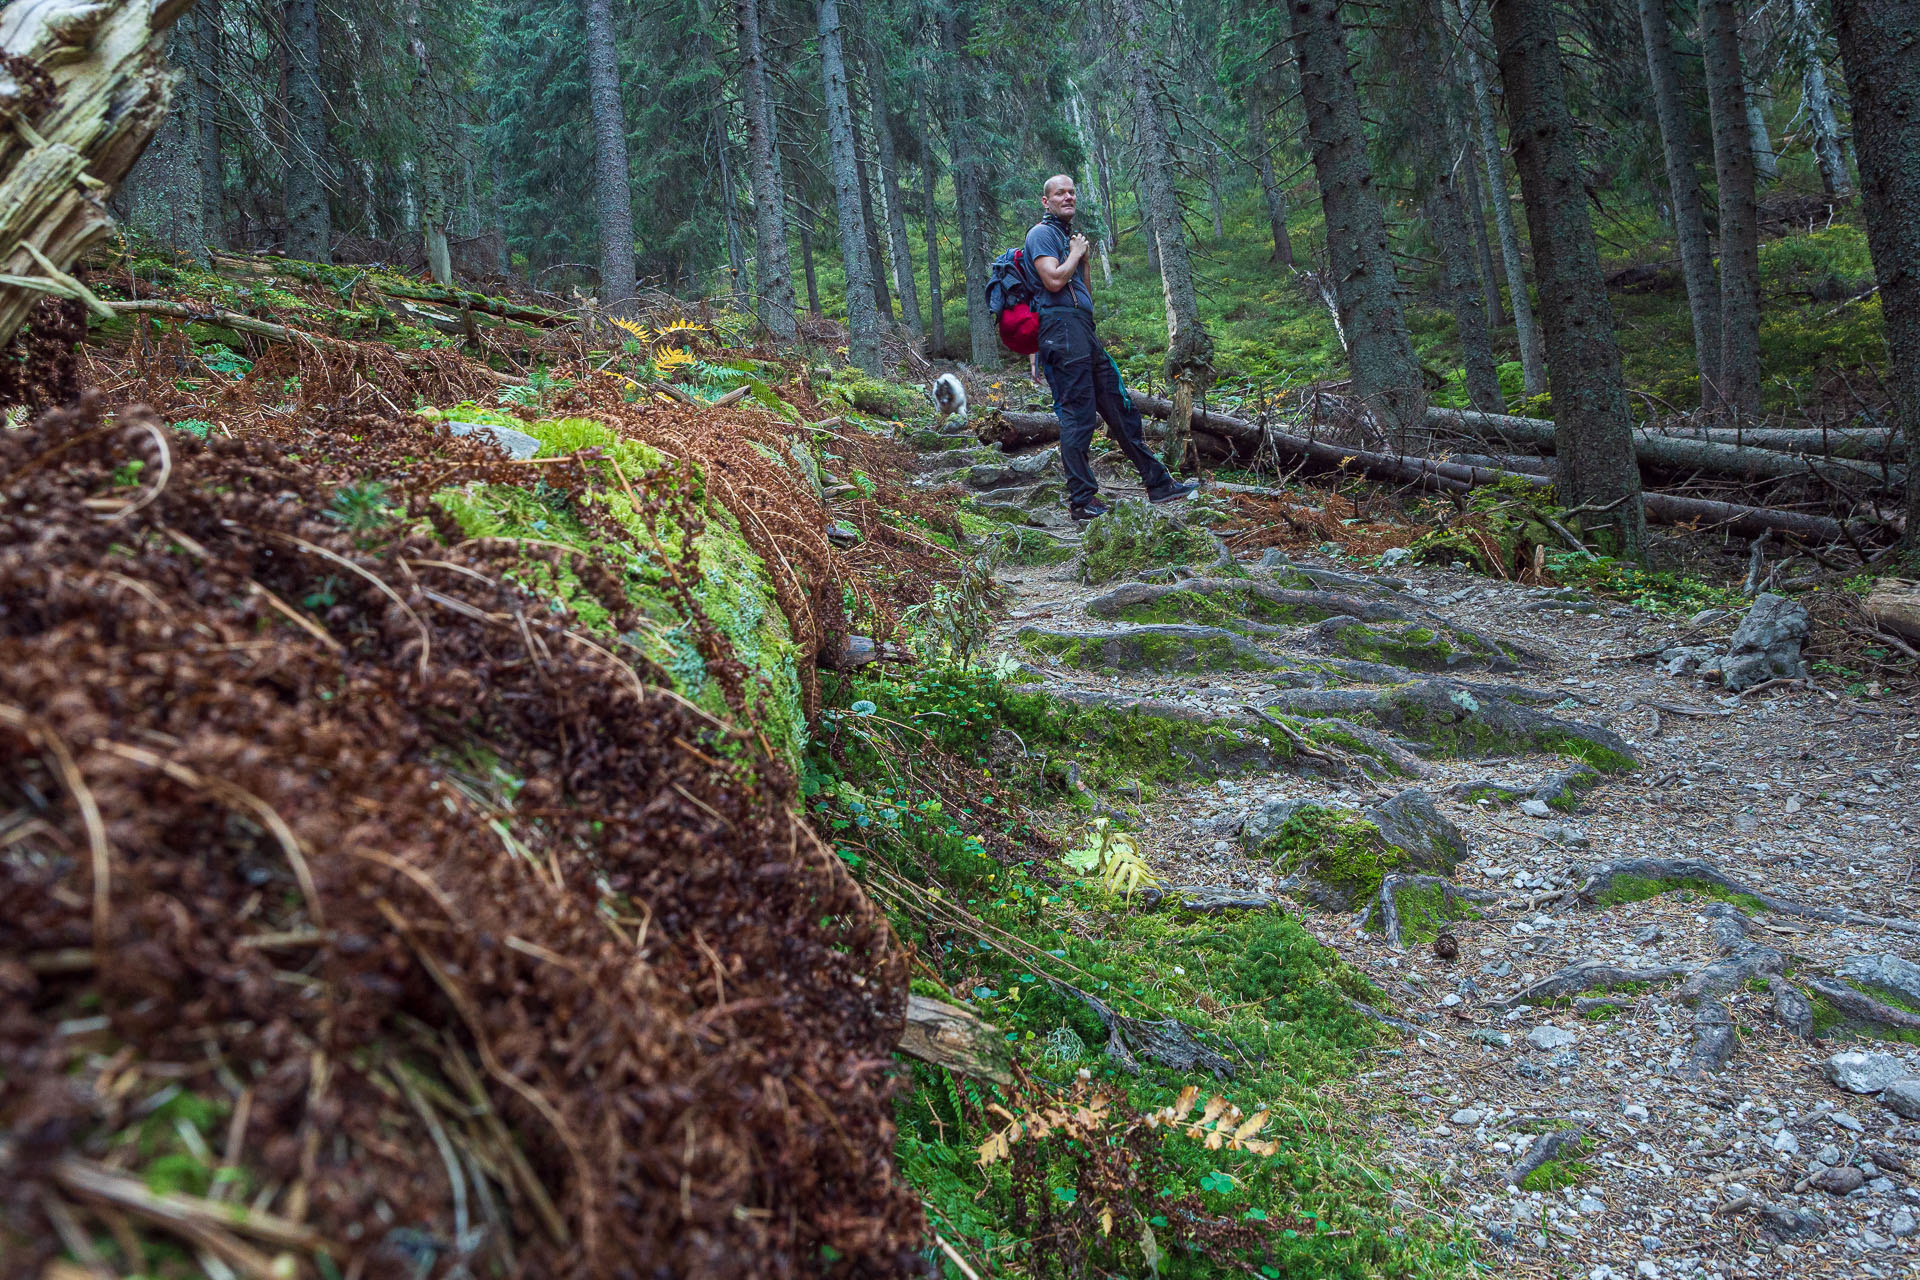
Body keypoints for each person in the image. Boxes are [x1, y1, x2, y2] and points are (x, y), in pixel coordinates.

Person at [1026, 174, 1197, 521]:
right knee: (1078, 415)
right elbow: (1054, 279)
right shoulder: (1041, 234)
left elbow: (1083, 294)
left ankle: (1159, 483)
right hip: (1060, 331)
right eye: (1060, 193)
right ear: (1046, 201)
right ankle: (1082, 501)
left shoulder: (1066, 236)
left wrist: (1083, 260)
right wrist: (1075, 253)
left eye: (1072, 192)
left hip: (1082, 330)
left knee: (1121, 407)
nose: (1068, 197)